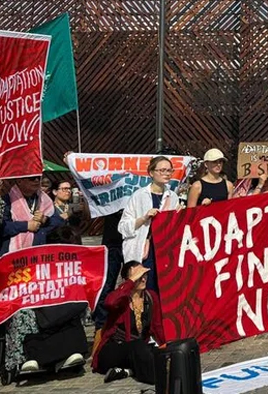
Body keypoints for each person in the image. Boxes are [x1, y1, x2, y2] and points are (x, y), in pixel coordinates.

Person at [4, 225, 87, 378]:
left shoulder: (76, 266)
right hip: (39, 308)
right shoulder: (37, 263)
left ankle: (63, 354)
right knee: (23, 312)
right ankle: (28, 357)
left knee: (72, 308)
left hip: (63, 310)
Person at [92, 261, 165, 384]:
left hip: (137, 349)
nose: (143, 279)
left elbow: (157, 327)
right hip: (114, 350)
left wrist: (165, 346)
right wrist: (131, 281)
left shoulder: (151, 297)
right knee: (137, 346)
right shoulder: (121, 298)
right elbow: (109, 303)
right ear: (128, 280)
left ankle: (127, 371)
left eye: (144, 275)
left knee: (156, 352)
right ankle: (156, 378)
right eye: (139, 277)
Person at [120, 156, 178, 293]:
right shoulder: (139, 195)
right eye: (162, 170)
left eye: (169, 170)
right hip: (144, 249)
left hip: (164, 249)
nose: (166, 174)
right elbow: (123, 227)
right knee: (143, 286)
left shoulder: (173, 197)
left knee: (164, 287)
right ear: (151, 172)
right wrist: (144, 218)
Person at [0, 176, 65, 256]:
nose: (36, 180)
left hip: (41, 254)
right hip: (13, 256)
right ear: (19, 181)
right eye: (32, 178)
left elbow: (60, 223)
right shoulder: (6, 201)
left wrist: (45, 220)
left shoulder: (45, 200)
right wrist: (26, 225)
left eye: (38, 178)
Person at [92, 209, 125, 348]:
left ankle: (130, 324)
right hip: (112, 240)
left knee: (134, 284)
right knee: (106, 285)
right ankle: (101, 328)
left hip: (134, 238)